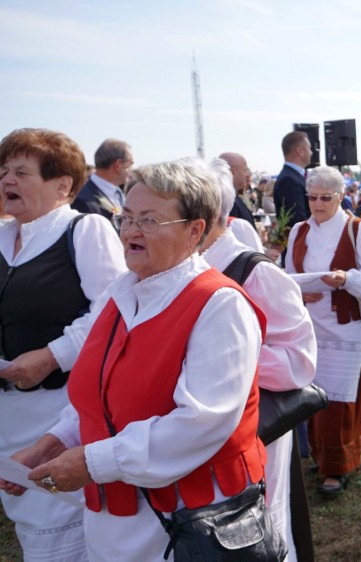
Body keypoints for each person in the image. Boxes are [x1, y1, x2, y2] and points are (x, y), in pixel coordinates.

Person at [3, 160, 273, 560]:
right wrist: (54, 442)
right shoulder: (118, 293)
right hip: (115, 518)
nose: (130, 232)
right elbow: (96, 396)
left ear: (194, 230)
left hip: (189, 519)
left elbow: (201, 422)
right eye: (125, 218)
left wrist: (93, 461)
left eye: (148, 221)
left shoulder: (218, 304)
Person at [0, 128, 126, 561]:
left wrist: (52, 356)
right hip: (8, 415)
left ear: (62, 185)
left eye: (20, 172)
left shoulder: (83, 229)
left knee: (62, 518)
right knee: (28, 518)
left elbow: (112, 311)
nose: (6, 181)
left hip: (60, 412)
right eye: (2, 172)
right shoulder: (2, 238)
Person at [199, 157, 317, 561]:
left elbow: (298, 363)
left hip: (252, 427)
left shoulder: (255, 272)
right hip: (198, 432)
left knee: (259, 527)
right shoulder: (173, 269)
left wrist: (223, 357)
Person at [284, 166, 361, 495]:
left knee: (340, 399)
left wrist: (346, 280)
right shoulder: (298, 230)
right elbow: (286, 277)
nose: (317, 204)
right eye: (311, 197)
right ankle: (321, 453)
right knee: (312, 395)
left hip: (346, 325)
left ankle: (339, 464)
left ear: (340, 197)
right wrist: (298, 290)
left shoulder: (359, 229)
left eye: (325, 198)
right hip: (308, 324)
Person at [72, 138, 134, 219]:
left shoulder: (119, 193)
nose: (131, 171)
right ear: (118, 165)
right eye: (130, 165)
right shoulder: (83, 200)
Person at [218, 151, 264, 251]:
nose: (247, 175)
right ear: (232, 172)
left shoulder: (232, 197)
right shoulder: (226, 202)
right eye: (245, 170)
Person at [274, 131, 313, 225]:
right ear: (300, 151)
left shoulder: (294, 176)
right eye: (309, 148)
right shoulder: (288, 181)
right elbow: (298, 220)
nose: (311, 152)